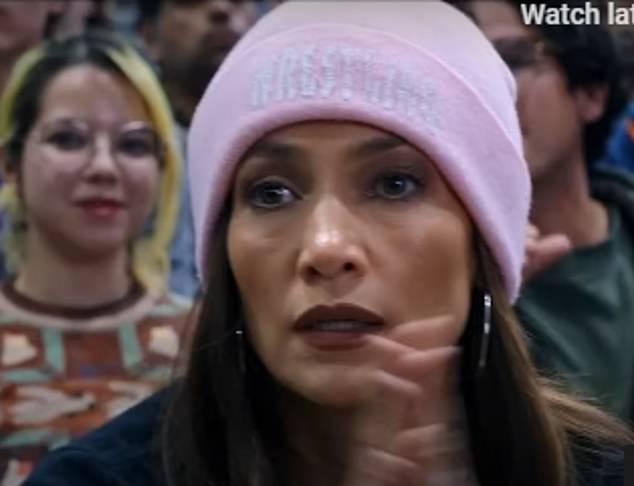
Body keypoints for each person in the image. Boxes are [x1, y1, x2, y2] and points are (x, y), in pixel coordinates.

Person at [23, 2, 631, 486]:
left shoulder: (600, 470)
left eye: (394, 184)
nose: (326, 247)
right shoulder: (92, 479)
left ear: (483, 240)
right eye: (271, 193)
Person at [0, 32, 191, 485]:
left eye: (134, 145)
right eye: (68, 139)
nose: (104, 167)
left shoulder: (204, 343)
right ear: (10, 163)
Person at [467, 0, 634, 424]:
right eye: (466, 71)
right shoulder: (459, 278)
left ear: (591, 93)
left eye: (512, 61)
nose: (485, 92)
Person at [135, 0, 274, 298]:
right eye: (192, 2)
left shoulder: (292, 138)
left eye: (239, 0)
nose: (221, 9)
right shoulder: (121, 152)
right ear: (149, 37)